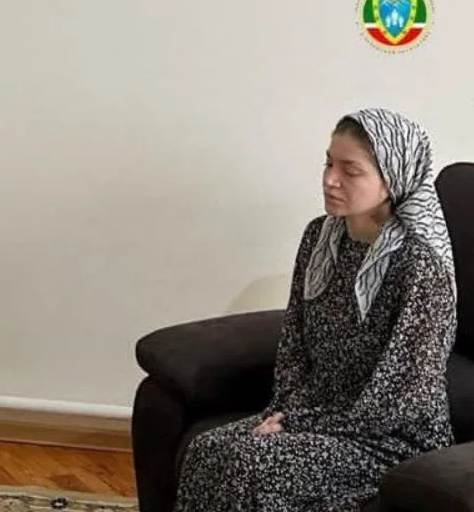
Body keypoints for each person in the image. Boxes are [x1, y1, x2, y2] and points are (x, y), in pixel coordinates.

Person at [173, 108, 457, 511]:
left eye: (350, 170)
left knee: (246, 463)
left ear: (393, 180)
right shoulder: (318, 237)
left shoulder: (419, 266)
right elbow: (294, 340)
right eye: (328, 163)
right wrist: (284, 409)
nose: (330, 179)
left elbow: (402, 398)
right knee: (206, 450)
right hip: (312, 415)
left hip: (387, 438)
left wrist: (297, 424)